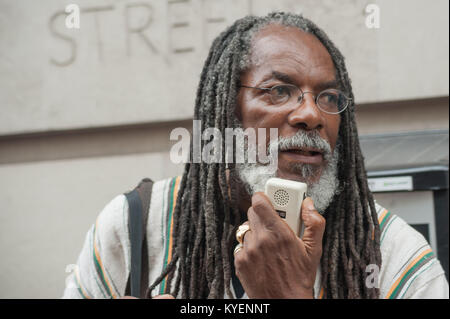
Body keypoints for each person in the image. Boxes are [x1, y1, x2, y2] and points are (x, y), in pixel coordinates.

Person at [62, 12, 448, 299]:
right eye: (279, 90)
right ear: (227, 112)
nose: (312, 114)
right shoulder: (134, 227)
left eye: (328, 97)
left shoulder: (394, 255)